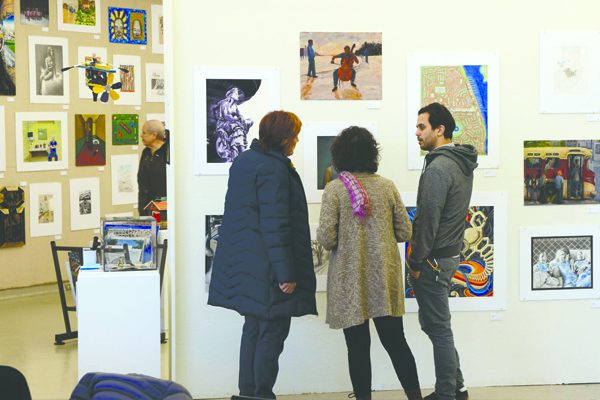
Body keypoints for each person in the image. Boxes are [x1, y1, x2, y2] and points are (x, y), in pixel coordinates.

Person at [208, 111, 317, 400]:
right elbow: (275, 224)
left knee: (254, 331)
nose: (296, 141)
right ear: (283, 138)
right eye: (294, 136)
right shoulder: (275, 169)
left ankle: (248, 394)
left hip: (249, 267)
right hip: (269, 271)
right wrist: (286, 275)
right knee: (270, 337)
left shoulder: (245, 161)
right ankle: (260, 395)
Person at [317, 126, 422, 400]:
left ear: (339, 155)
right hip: (384, 279)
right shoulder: (386, 186)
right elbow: (404, 232)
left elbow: (326, 238)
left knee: (358, 347)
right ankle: (416, 398)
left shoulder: (335, 190)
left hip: (350, 281)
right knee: (396, 343)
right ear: (372, 153)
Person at [407, 102, 478, 400]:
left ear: (440, 129)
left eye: (422, 127)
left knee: (438, 330)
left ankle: (447, 393)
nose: (417, 132)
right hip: (447, 255)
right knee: (438, 326)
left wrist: (416, 259)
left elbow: (427, 220)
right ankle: (456, 388)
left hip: (434, 259)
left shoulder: (439, 168)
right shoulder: (459, 162)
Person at [137, 120, 168, 216]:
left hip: (162, 209)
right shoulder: (146, 152)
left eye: (144, 133)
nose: (141, 136)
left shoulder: (167, 153)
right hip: (145, 208)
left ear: (154, 135)